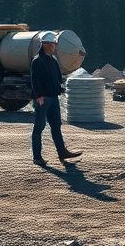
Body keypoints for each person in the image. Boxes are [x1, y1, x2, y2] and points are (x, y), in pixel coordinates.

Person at [30, 30, 81, 167]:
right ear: (45, 44)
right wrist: (38, 97)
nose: (54, 46)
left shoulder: (53, 60)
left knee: (56, 126)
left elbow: (57, 77)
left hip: (53, 97)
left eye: (54, 44)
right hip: (43, 99)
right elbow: (34, 81)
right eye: (52, 44)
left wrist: (60, 88)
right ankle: (37, 157)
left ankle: (62, 152)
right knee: (39, 127)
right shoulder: (37, 61)